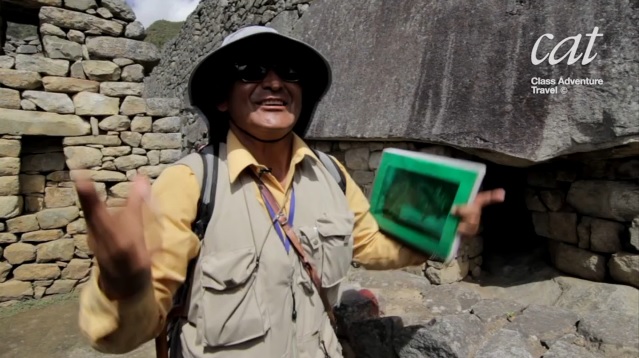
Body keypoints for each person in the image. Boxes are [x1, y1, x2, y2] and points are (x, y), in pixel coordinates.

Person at [75, 26, 505, 358]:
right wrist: (124, 287)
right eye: (251, 72)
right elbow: (128, 331)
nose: (275, 83)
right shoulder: (190, 183)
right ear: (222, 99)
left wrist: (441, 228)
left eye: (290, 73)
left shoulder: (330, 175)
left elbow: (370, 244)